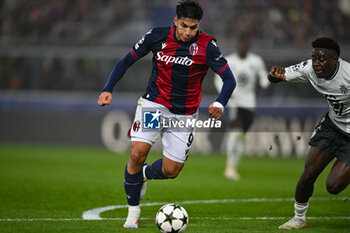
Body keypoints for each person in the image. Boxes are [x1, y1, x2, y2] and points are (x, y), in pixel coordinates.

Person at [97, 0, 236, 228]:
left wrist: (220, 102)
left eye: (193, 27)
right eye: (184, 26)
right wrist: (107, 89)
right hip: (155, 105)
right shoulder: (157, 36)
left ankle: (143, 175)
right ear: (175, 21)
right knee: (137, 153)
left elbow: (229, 79)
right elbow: (126, 61)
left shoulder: (208, 45)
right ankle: (133, 212)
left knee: (172, 171)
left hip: (184, 114)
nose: (188, 32)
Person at [268, 37, 350, 230]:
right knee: (308, 173)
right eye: (314, 58)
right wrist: (274, 74)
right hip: (332, 127)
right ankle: (298, 218)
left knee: (334, 186)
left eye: (322, 59)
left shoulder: (348, 75)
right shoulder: (308, 68)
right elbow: (277, 77)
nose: (317, 63)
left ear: (335, 59)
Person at [214, 34, 269, 180]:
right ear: (237, 45)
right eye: (240, 44)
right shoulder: (230, 60)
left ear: (248, 46)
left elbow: (265, 79)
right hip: (234, 102)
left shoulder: (256, 61)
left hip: (249, 103)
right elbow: (218, 79)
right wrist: (225, 94)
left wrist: (259, 85)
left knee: (242, 136)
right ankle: (229, 168)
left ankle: (234, 167)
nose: (242, 47)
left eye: (245, 44)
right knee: (235, 131)